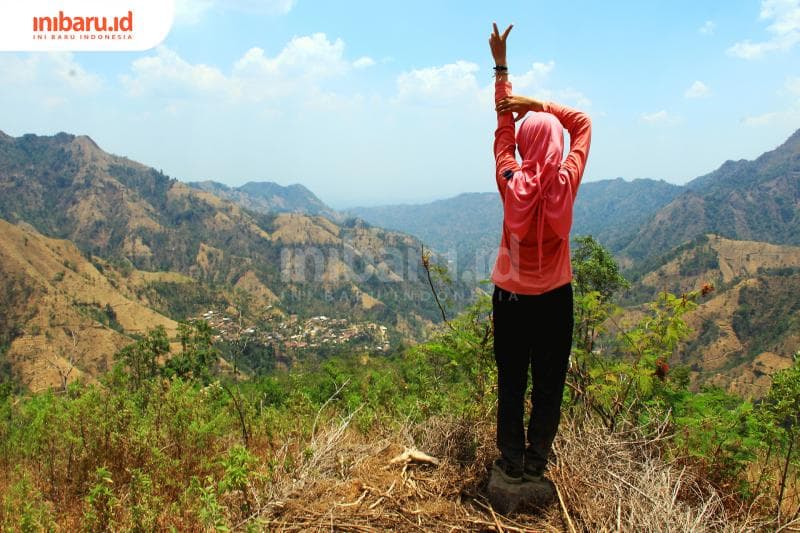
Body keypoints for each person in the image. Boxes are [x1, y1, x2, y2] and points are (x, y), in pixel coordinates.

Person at [487, 23, 592, 484]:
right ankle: (536, 462)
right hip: (555, 299)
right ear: (555, 146)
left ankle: (510, 461)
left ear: (528, 145)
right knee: (549, 384)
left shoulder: (510, 179)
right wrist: (541, 105)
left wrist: (502, 69)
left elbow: (503, 130)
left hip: (510, 298)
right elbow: (583, 124)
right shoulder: (565, 182)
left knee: (512, 381)